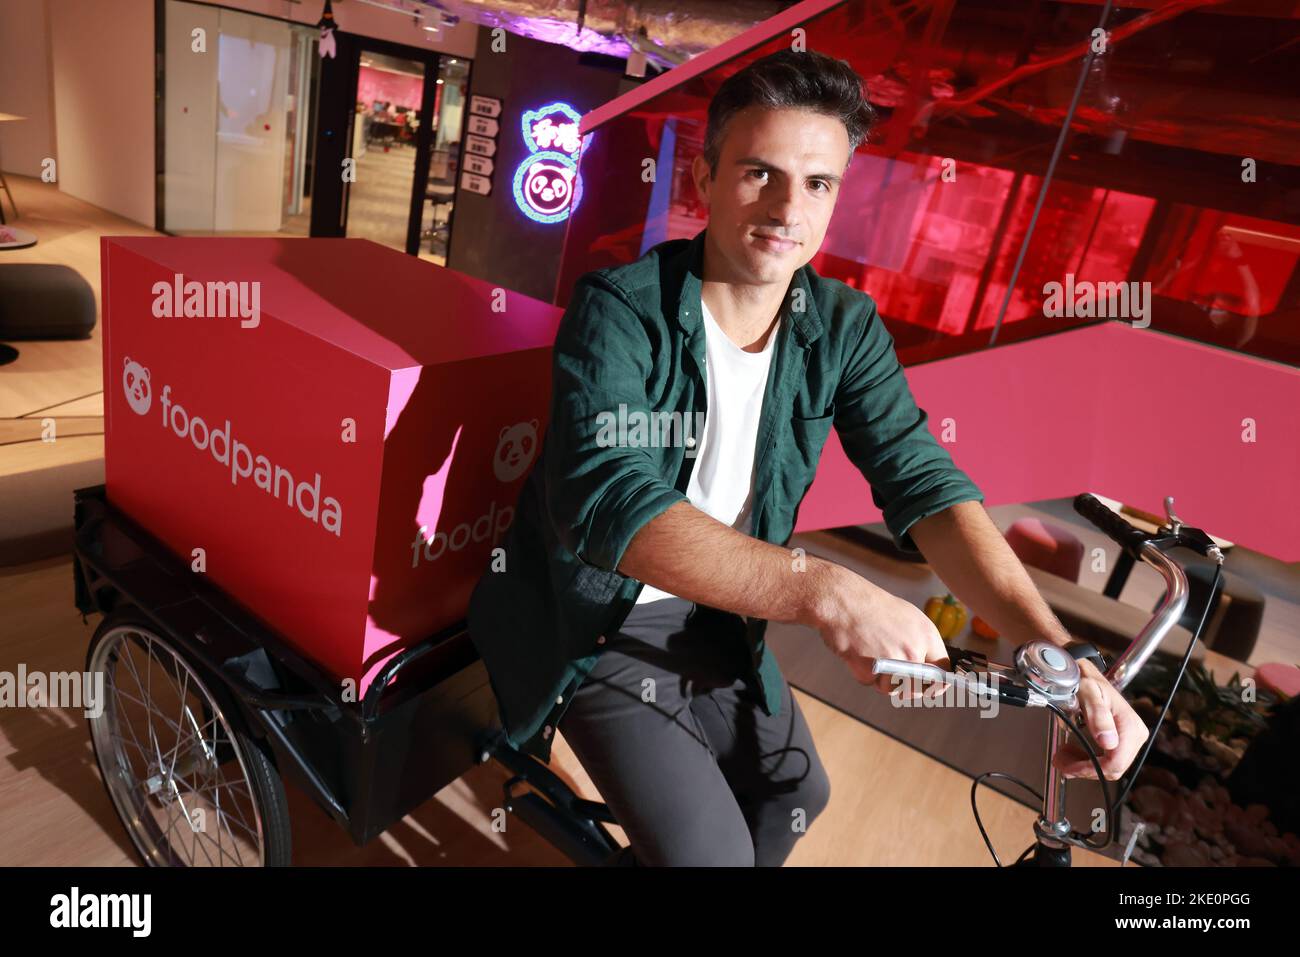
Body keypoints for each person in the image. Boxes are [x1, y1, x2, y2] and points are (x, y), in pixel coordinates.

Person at [468, 49, 1149, 866]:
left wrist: (1051, 649)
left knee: (797, 792)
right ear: (705, 178)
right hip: (600, 619)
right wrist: (821, 588)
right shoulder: (620, 308)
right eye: (760, 172)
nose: (789, 207)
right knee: (705, 855)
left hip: (724, 611)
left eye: (818, 183)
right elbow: (609, 504)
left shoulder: (843, 325)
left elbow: (923, 482)